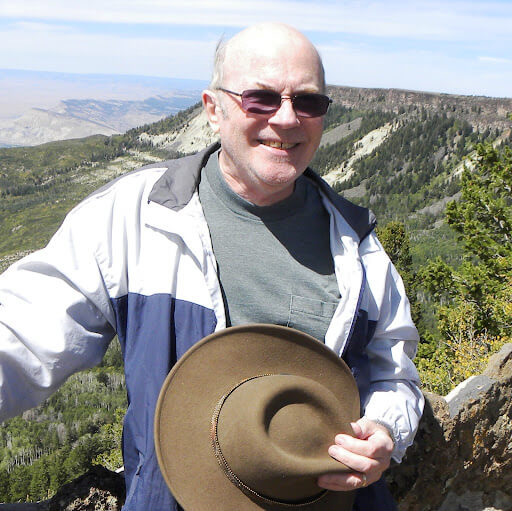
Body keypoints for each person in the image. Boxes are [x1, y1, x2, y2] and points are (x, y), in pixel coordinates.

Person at [0, 23, 423, 510]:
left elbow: (394, 376)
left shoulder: (359, 248)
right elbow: (23, 336)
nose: (287, 119)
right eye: (260, 98)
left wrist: (386, 428)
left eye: (308, 102)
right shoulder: (134, 218)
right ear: (212, 109)